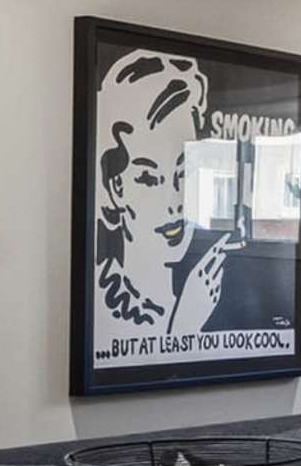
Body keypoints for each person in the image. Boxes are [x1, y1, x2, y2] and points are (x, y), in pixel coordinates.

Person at [90, 49, 234, 349]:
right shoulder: (100, 307)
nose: (175, 202)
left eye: (184, 173)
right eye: (148, 178)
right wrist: (185, 326)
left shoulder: (209, 293)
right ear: (115, 188)